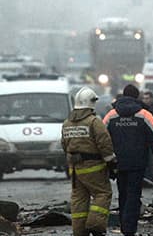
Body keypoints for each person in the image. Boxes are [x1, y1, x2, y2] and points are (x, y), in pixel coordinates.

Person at [103, 85, 153, 236]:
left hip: (118, 162)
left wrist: (106, 160)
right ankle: (129, 228)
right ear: (137, 97)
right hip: (137, 162)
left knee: (122, 193)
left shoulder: (111, 115)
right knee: (134, 194)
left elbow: (102, 138)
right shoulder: (144, 114)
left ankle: (124, 224)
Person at [61, 86, 116, 236]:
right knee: (102, 194)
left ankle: (79, 231)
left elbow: (64, 145)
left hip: (75, 169)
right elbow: (104, 143)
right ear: (91, 102)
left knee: (79, 200)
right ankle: (95, 225)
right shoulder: (94, 122)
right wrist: (111, 163)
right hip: (93, 167)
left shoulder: (67, 123)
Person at [142, 91, 153, 183]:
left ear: (152, 99)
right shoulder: (141, 111)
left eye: (147, 98)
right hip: (142, 141)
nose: (145, 100)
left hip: (151, 140)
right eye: (144, 98)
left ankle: (150, 179)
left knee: (151, 161)